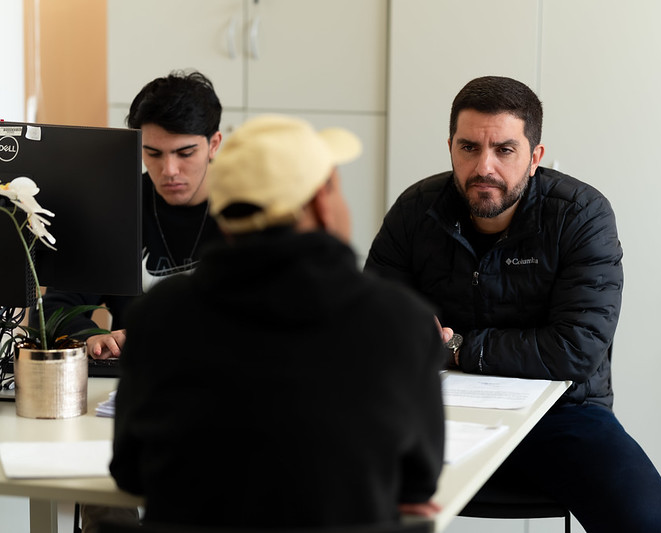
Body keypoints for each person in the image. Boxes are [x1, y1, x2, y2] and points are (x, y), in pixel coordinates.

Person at [364, 76, 661, 532]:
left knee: (648, 519)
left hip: (562, 414)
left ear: (535, 158)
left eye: (504, 150)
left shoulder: (581, 215)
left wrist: (456, 349)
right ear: (450, 147)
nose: (484, 167)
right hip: (431, 407)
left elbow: (576, 349)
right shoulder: (416, 209)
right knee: (317, 477)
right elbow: (371, 325)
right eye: (468, 147)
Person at [109, 115, 447, 528]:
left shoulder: (157, 316)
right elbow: (417, 484)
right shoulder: (401, 322)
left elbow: (130, 471)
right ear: (322, 203)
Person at [33, 70, 224, 359]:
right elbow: (53, 310)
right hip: (137, 374)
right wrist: (91, 337)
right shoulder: (116, 208)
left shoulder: (252, 211)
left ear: (214, 144)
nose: (169, 170)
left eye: (185, 153)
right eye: (153, 154)